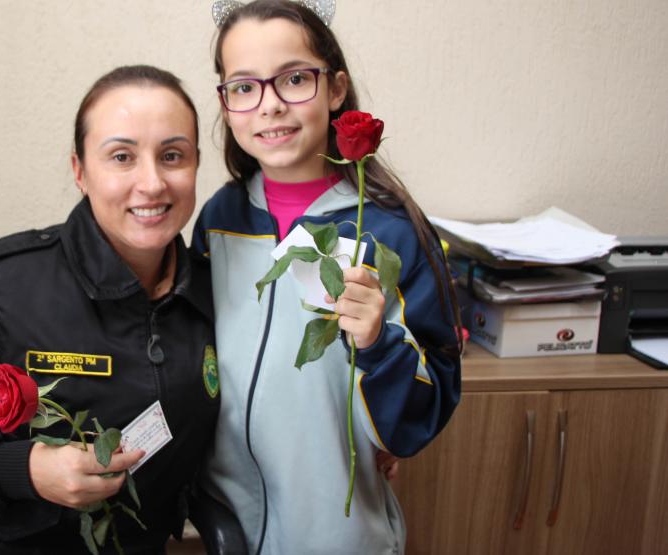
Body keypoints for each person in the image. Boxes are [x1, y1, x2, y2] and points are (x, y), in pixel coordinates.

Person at [0, 65, 219, 554]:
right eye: (121, 157)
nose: (152, 182)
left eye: (172, 155)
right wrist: (22, 468)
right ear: (80, 171)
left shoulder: (213, 291)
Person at [191, 2, 462, 553]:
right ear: (225, 102)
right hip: (227, 525)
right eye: (244, 87)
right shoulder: (219, 220)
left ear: (336, 88)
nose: (269, 105)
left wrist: (377, 345)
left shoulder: (390, 232)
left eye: (294, 79)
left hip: (335, 533)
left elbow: (424, 408)